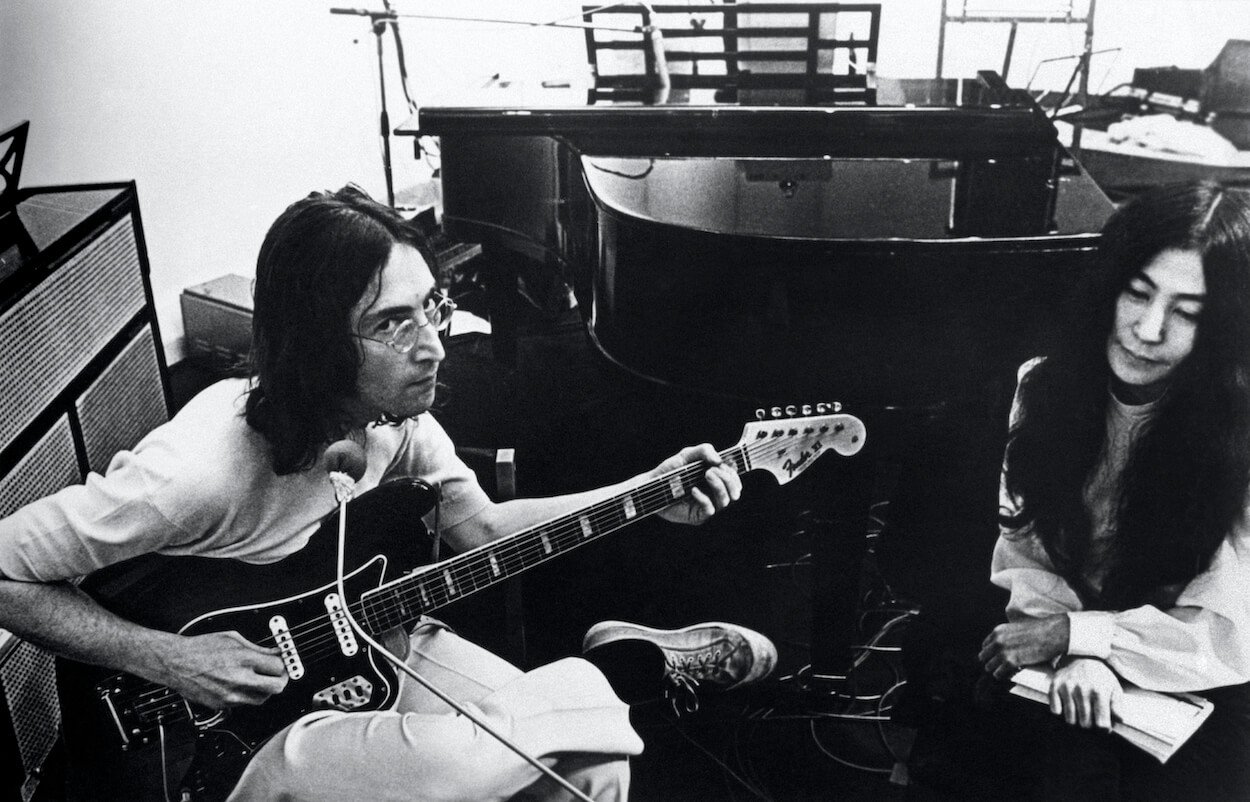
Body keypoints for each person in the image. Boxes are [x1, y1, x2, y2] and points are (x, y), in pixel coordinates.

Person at [0, 184, 771, 801]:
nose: (434, 345)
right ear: (316, 343)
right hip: (224, 736)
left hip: (374, 647)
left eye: (431, 306)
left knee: (593, 771)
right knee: (491, 760)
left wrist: (644, 492)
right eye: (393, 323)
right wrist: (170, 659)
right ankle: (616, 673)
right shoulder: (195, 468)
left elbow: (481, 527)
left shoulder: (394, 418)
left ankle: (595, 687)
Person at [977, 181, 1250, 800]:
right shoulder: (1041, 387)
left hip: (1196, 666)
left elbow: (1232, 625)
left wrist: (1092, 640)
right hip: (1058, 648)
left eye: (1188, 312)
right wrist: (1072, 646)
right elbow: (1025, 554)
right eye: (1138, 293)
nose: (1149, 329)